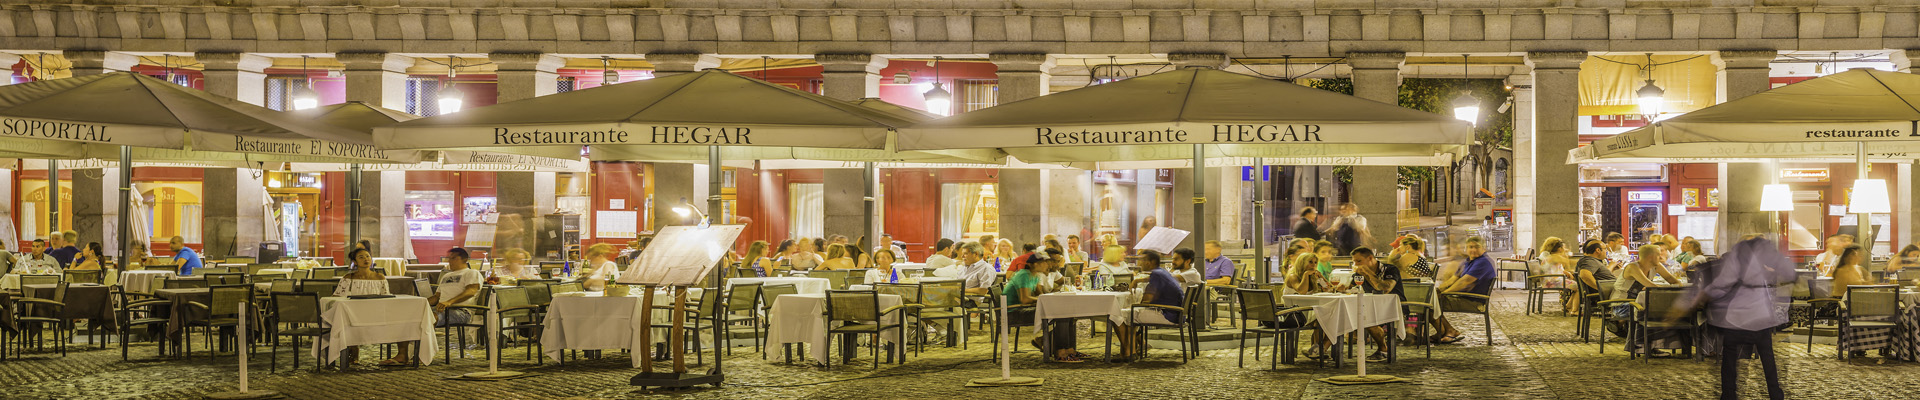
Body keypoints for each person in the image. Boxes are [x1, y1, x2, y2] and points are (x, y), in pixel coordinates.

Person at [1676, 237, 1791, 400]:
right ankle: (1775, 394)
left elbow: (1720, 287)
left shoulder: (1735, 264)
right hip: (1760, 317)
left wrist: (1699, 299)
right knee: (1767, 358)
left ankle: (1729, 394)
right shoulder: (1760, 266)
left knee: (1730, 359)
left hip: (1738, 320)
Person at [390, 247, 482, 366]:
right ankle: (403, 355)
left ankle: (423, 355)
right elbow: (436, 297)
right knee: (407, 316)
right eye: (449, 258)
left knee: (430, 317)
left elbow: (471, 291)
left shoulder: (472, 273)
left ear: (464, 259)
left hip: (461, 311)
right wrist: (419, 303)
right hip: (441, 308)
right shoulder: (446, 276)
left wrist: (449, 302)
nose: (450, 261)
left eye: (454, 258)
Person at [1005, 248, 1086, 362]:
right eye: (1044, 262)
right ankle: (1061, 352)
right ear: (1035, 264)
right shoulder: (1024, 275)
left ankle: (1069, 350)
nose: (1048, 264)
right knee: (1061, 315)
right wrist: (1043, 298)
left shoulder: (1033, 275)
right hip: (1013, 312)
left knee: (1068, 314)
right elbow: (1025, 299)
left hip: (1021, 309)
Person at [1615, 244, 1682, 355]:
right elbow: (1651, 286)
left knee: (1671, 311)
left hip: (1641, 303)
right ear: (1650, 257)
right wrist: (1671, 288)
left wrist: (1675, 286)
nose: (1661, 257)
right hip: (1621, 305)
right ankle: (1646, 347)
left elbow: (1674, 281)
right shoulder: (1633, 267)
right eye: (1659, 255)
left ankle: (1664, 344)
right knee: (1653, 312)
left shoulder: (1656, 266)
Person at [1116, 250, 1182, 360]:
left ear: (1149, 262)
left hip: (1167, 314)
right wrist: (1138, 280)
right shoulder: (1161, 272)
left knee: (1118, 315)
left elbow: (1147, 299)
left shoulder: (1156, 274)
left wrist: (1134, 305)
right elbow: (1151, 281)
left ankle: (1127, 352)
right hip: (1175, 312)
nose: (1140, 263)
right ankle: (1130, 350)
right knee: (1129, 314)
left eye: (1142, 260)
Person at [1434, 236, 1496, 344]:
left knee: (1429, 305)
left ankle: (1446, 331)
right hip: (1465, 298)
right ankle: (1443, 331)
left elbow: (1464, 282)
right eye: (1470, 247)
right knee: (1429, 301)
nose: (1473, 250)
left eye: (1477, 247)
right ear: (1466, 249)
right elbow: (1453, 279)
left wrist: (1444, 294)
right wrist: (1438, 290)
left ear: (1484, 248)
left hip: (1474, 301)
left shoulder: (1483, 262)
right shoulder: (1467, 261)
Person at [1350, 247, 1398, 361]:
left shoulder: (1390, 269)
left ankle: (1383, 349)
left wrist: (1368, 273)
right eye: (1354, 261)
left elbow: (1384, 288)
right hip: (1370, 306)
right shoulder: (1359, 273)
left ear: (1370, 258)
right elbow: (1352, 287)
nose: (1356, 264)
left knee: (1366, 318)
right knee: (1342, 313)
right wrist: (1343, 288)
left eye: (1359, 261)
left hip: (1392, 306)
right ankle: (1321, 349)